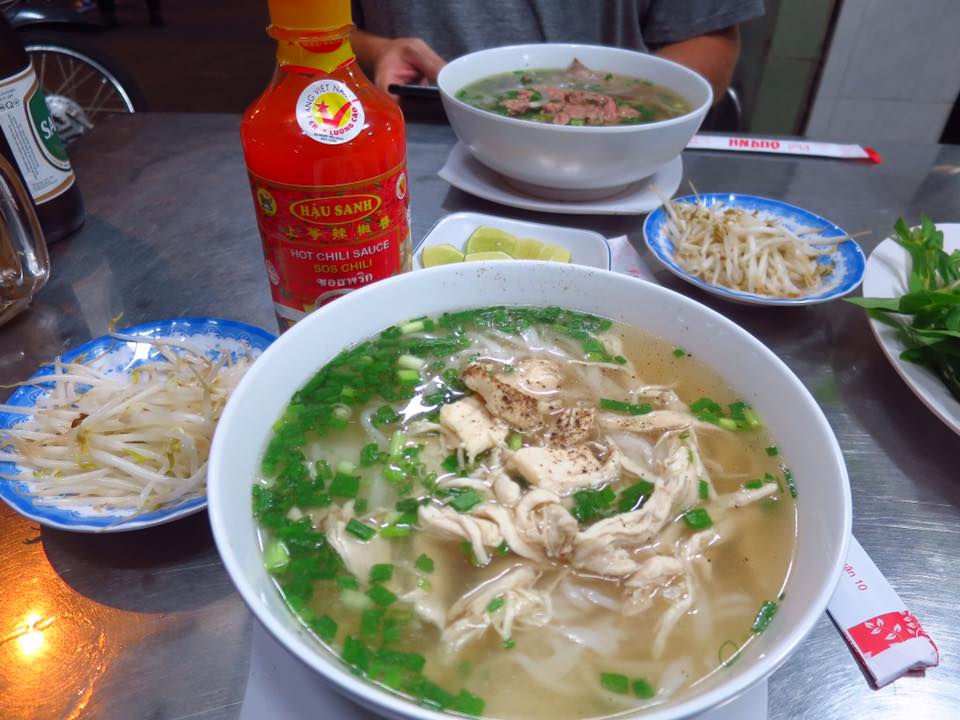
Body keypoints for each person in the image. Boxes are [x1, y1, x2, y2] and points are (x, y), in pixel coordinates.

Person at [350, 0, 763, 103]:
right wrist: (377, 49)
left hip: (626, 165)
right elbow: (301, 23)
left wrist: (631, 117)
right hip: (425, 138)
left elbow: (711, 34)